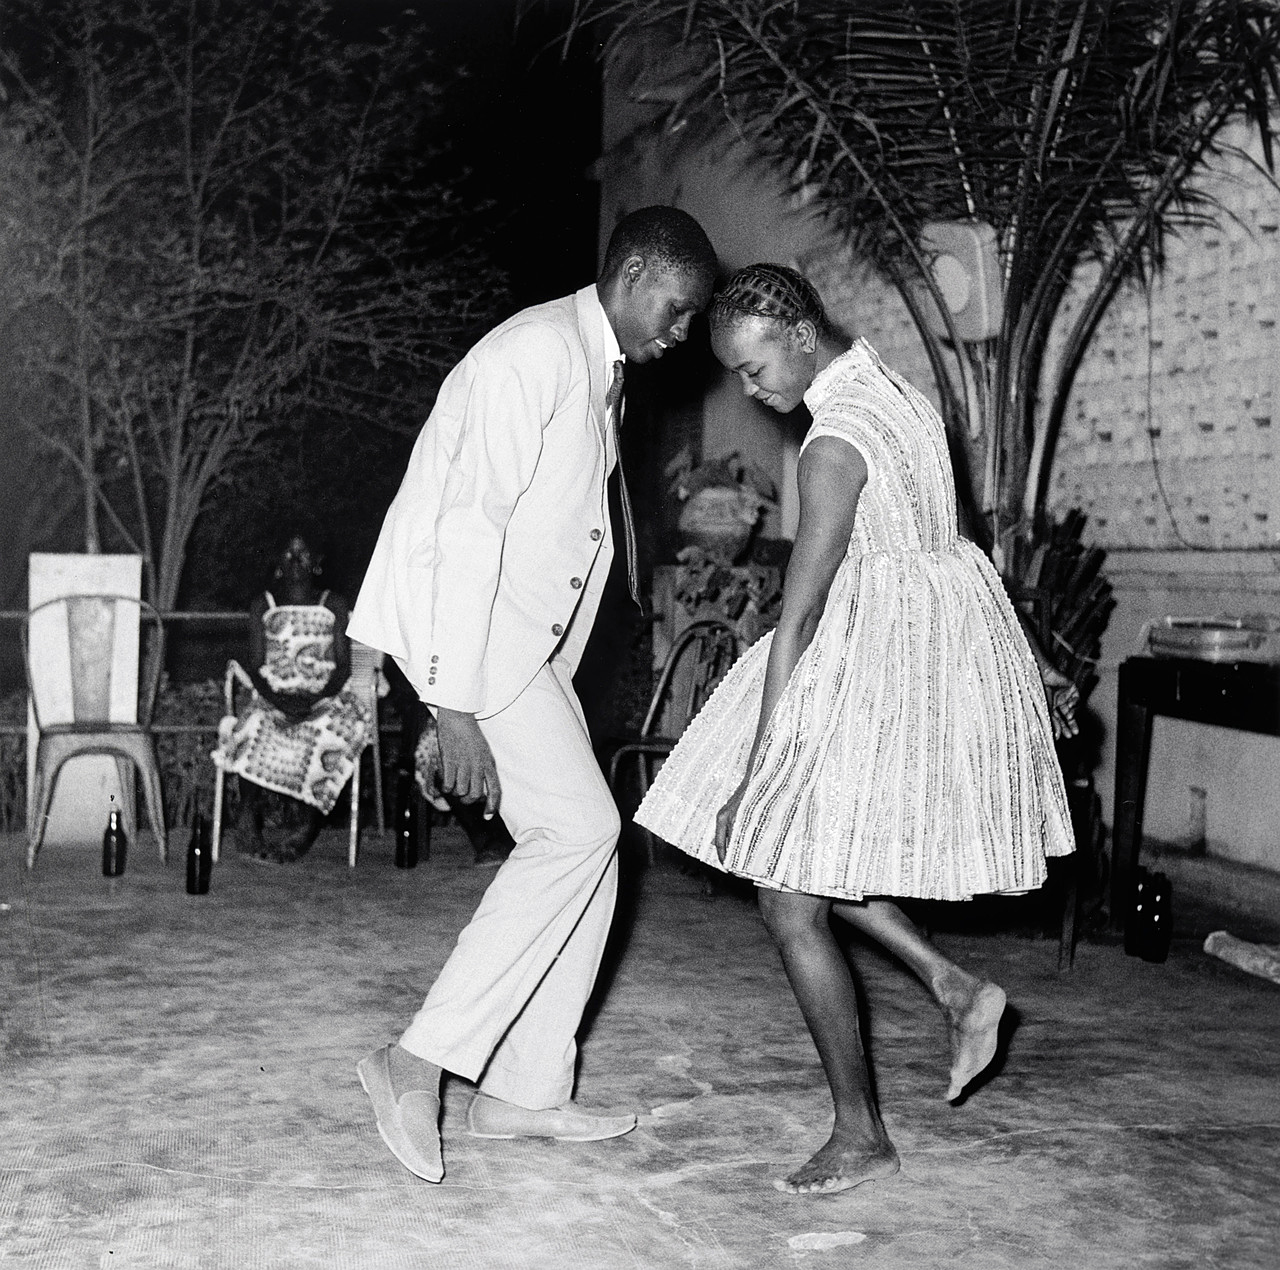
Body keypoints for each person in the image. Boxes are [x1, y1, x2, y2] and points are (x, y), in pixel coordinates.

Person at [635, 264, 1078, 1196]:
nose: (753, 391)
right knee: (813, 866)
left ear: (799, 334)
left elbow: (796, 618)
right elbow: (958, 544)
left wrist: (757, 772)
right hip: (930, 652)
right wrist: (1027, 661)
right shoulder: (901, 391)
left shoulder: (833, 443)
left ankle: (861, 1131)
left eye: (754, 370)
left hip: (865, 666)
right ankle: (954, 988)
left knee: (786, 895)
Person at [348, 206, 718, 1183]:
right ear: (635, 272)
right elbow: (460, 528)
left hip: (525, 653)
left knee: (593, 846)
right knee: (580, 835)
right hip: (480, 648)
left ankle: (523, 1092)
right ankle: (412, 1061)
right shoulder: (534, 355)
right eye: (676, 312)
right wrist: (451, 703)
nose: (678, 336)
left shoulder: (591, 367)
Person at [215, 533, 371, 862]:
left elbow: (343, 666)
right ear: (277, 565)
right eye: (288, 555)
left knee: (332, 730)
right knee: (255, 722)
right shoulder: (264, 604)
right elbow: (257, 666)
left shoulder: (333, 603)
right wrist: (279, 700)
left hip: (326, 696)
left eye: (303, 555)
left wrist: (316, 699)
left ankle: (308, 827)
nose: (295, 562)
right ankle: (247, 818)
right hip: (275, 694)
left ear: (316, 564)